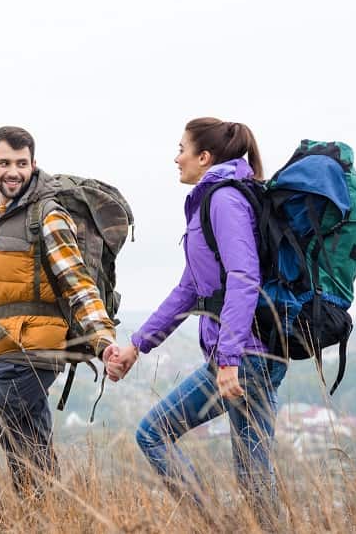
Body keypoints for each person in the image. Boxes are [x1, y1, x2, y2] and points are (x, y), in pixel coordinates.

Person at [107, 117, 286, 524]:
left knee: (153, 434)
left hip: (246, 355)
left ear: (204, 157)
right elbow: (190, 289)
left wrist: (228, 359)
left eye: (182, 150)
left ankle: (215, 526)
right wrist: (137, 344)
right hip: (257, 352)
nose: (177, 158)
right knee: (255, 478)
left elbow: (244, 278)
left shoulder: (223, 200)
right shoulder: (213, 201)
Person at [0, 125, 121, 500]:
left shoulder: (47, 214)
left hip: (29, 355)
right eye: (5, 162)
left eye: (22, 163)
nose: (14, 171)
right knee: (32, 468)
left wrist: (103, 339)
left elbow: (77, 282)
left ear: (34, 164)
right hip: (3, 351)